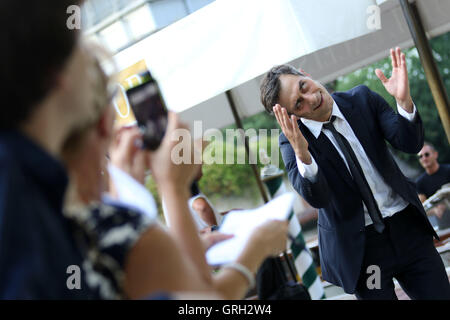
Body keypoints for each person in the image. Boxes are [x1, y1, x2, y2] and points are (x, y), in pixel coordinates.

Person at [62, 52, 289, 299]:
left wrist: (185, 252)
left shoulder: (62, 223)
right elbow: (202, 300)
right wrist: (255, 250)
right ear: (104, 122)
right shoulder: (108, 225)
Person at [260, 47, 450, 299]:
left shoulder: (361, 99)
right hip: (365, 252)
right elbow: (317, 198)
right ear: (292, 117)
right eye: (298, 104)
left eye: (303, 87)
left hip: (409, 232)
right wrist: (304, 154)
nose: (311, 99)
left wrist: (404, 102)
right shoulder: (291, 142)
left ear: (305, 74)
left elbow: (409, 143)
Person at [0, 0, 101, 299]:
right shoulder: (12, 188)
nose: (89, 58)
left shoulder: (29, 179)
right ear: (56, 71)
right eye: (81, 42)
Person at [416, 142, 450, 230]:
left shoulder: (448, 171)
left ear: (435, 154)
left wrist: (445, 205)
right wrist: (434, 210)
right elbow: (422, 208)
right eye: (420, 156)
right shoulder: (420, 182)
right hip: (445, 225)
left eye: (426, 154)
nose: (424, 158)